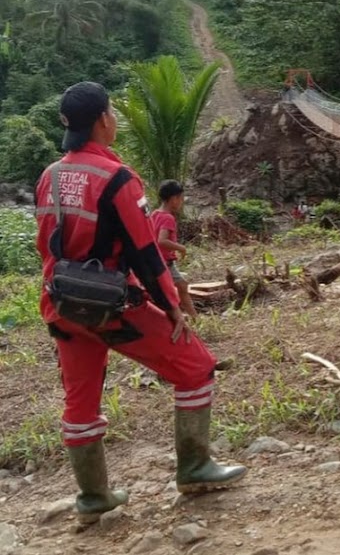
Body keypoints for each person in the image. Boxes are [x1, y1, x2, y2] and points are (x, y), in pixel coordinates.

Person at [35, 82, 246, 523]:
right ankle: (193, 467)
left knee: (80, 400)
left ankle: (93, 497)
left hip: (63, 305)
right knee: (195, 365)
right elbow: (145, 251)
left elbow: (46, 247)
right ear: (103, 121)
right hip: (113, 306)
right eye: (111, 113)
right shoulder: (118, 179)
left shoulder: (49, 177)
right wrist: (170, 305)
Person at [151, 180, 197, 318]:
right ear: (173, 199)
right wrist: (181, 247)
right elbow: (162, 240)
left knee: (179, 287)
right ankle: (193, 317)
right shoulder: (167, 218)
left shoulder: (154, 214)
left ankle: (191, 316)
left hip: (155, 260)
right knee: (181, 287)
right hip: (165, 262)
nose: (181, 202)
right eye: (181, 198)